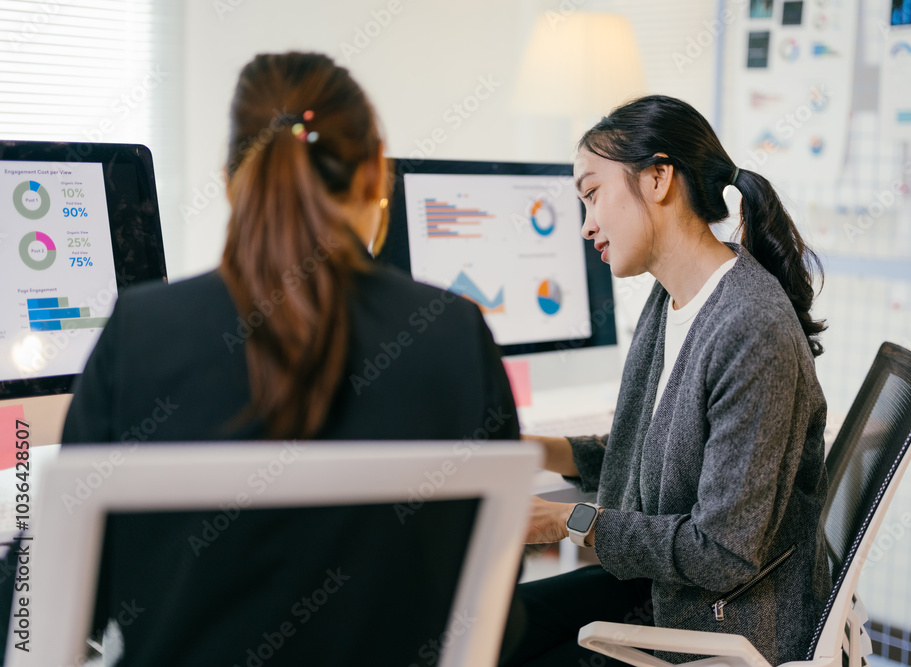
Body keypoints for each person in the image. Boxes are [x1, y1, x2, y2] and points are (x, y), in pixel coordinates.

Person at [61, 52, 520, 665]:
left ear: (229, 180)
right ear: (374, 174)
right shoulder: (454, 336)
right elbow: (493, 600)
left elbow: (56, 595)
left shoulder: (142, 333)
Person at [504, 95, 832, 666]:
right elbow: (652, 461)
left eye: (591, 193)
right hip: (668, 594)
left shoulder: (750, 327)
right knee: (486, 629)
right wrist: (532, 448)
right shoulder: (673, 298)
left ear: (658, 178)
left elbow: (723, 552)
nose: (586, 225)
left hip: (723, 625)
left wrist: (565, 519)